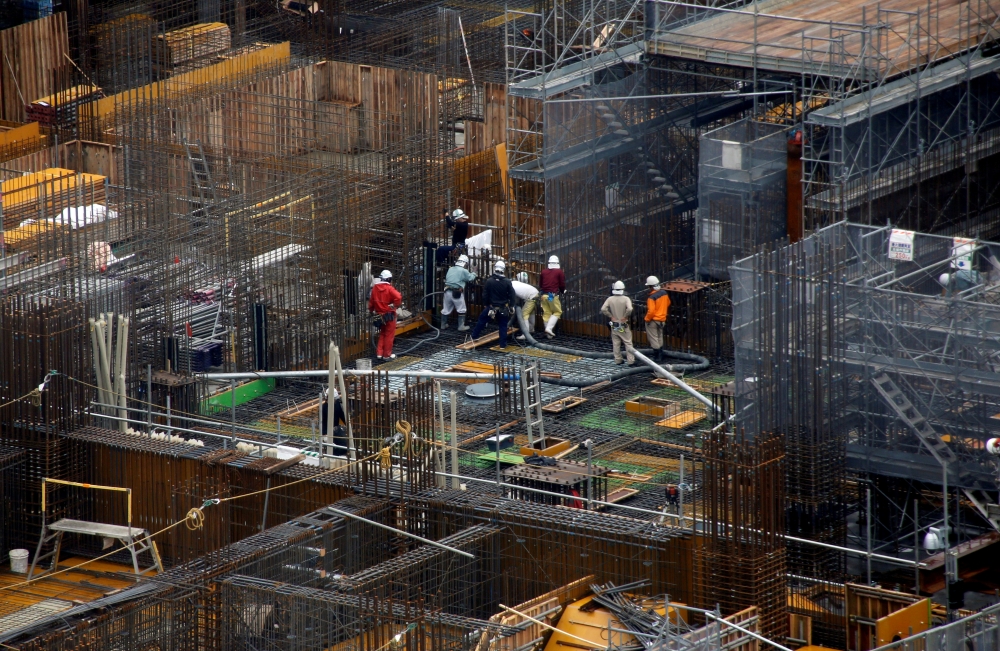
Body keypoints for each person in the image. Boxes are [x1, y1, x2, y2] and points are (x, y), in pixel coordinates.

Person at [471, 260, 517, 348]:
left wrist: (485, 304)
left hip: (491, 308)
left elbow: (485, 295)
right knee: (503, 326)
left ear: (495, 268)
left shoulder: (489, 281)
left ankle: (474, 337)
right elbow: (512, 295)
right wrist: (511, 306)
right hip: (503, 308)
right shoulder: (507, 282)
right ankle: (502, 345)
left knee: (482, 321)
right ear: (503, 270)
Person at [368, 269, 402, 360]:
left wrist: (371, 311)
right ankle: (387, 355)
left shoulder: (375, 288)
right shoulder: (389, 288)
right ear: (388, 279)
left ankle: (379, 353)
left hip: (379, 316)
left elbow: (371, 302)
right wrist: (395, 305)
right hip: (389, 315)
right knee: (389, 335)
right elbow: (398, 296)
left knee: (383, 333)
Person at [600, 280, 635, 365]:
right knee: (628, 342)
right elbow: (630, 309)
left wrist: (610, 316)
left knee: (616, 343)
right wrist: (625, 316)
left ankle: (618, 359)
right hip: (623, 324)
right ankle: (630, 361)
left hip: (615, 324)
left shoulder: (610, 299)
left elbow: (603, 309)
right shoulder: (626, 299)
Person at [442, 254, 476, 331]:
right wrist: (474, 272)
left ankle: (443, 325)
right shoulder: (463, 270)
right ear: (465, 263)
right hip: (456, 293)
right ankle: (461, 326)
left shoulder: (451, 269)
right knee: (462, 309)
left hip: (447, 291)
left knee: (446, 309)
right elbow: (470, 278)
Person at [644, 275, 671, 362]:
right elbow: (668, 303)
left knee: (653, 338)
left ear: (650, 286)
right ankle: (661, 354)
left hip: (653, 321)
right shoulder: (664, 293)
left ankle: (657, 357)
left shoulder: (651, 298)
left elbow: (651, 311)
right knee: (660, 337)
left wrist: (647, 319)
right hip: (662, 320)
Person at [539, 255, 566, 338]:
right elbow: (562, 284)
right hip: (552, 295)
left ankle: (548, 335)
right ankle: (549, 329)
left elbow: (540, 284)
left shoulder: (543, 272)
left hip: (544, 295)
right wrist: (563, 291)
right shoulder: (559, 272)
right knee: (557, 312)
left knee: (547, 313)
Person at [320, 387, 349, 456]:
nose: (335, 401)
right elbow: (322, 422)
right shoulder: (323, 408)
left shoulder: (337, 404)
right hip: (327, 432)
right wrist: (324, 434)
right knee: (332, 449)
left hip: (336, 429)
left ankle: (342, 455)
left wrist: (348, 425)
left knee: (343, 446)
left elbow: (342, 415)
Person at [512, 271, 540, 340]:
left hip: (531, 296)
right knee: (531, 313)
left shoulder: (511, 286)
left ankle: (526, 334)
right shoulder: (515, 283)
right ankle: (531, 329)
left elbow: (513, 299)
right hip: (536, 293)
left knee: (524, 314)